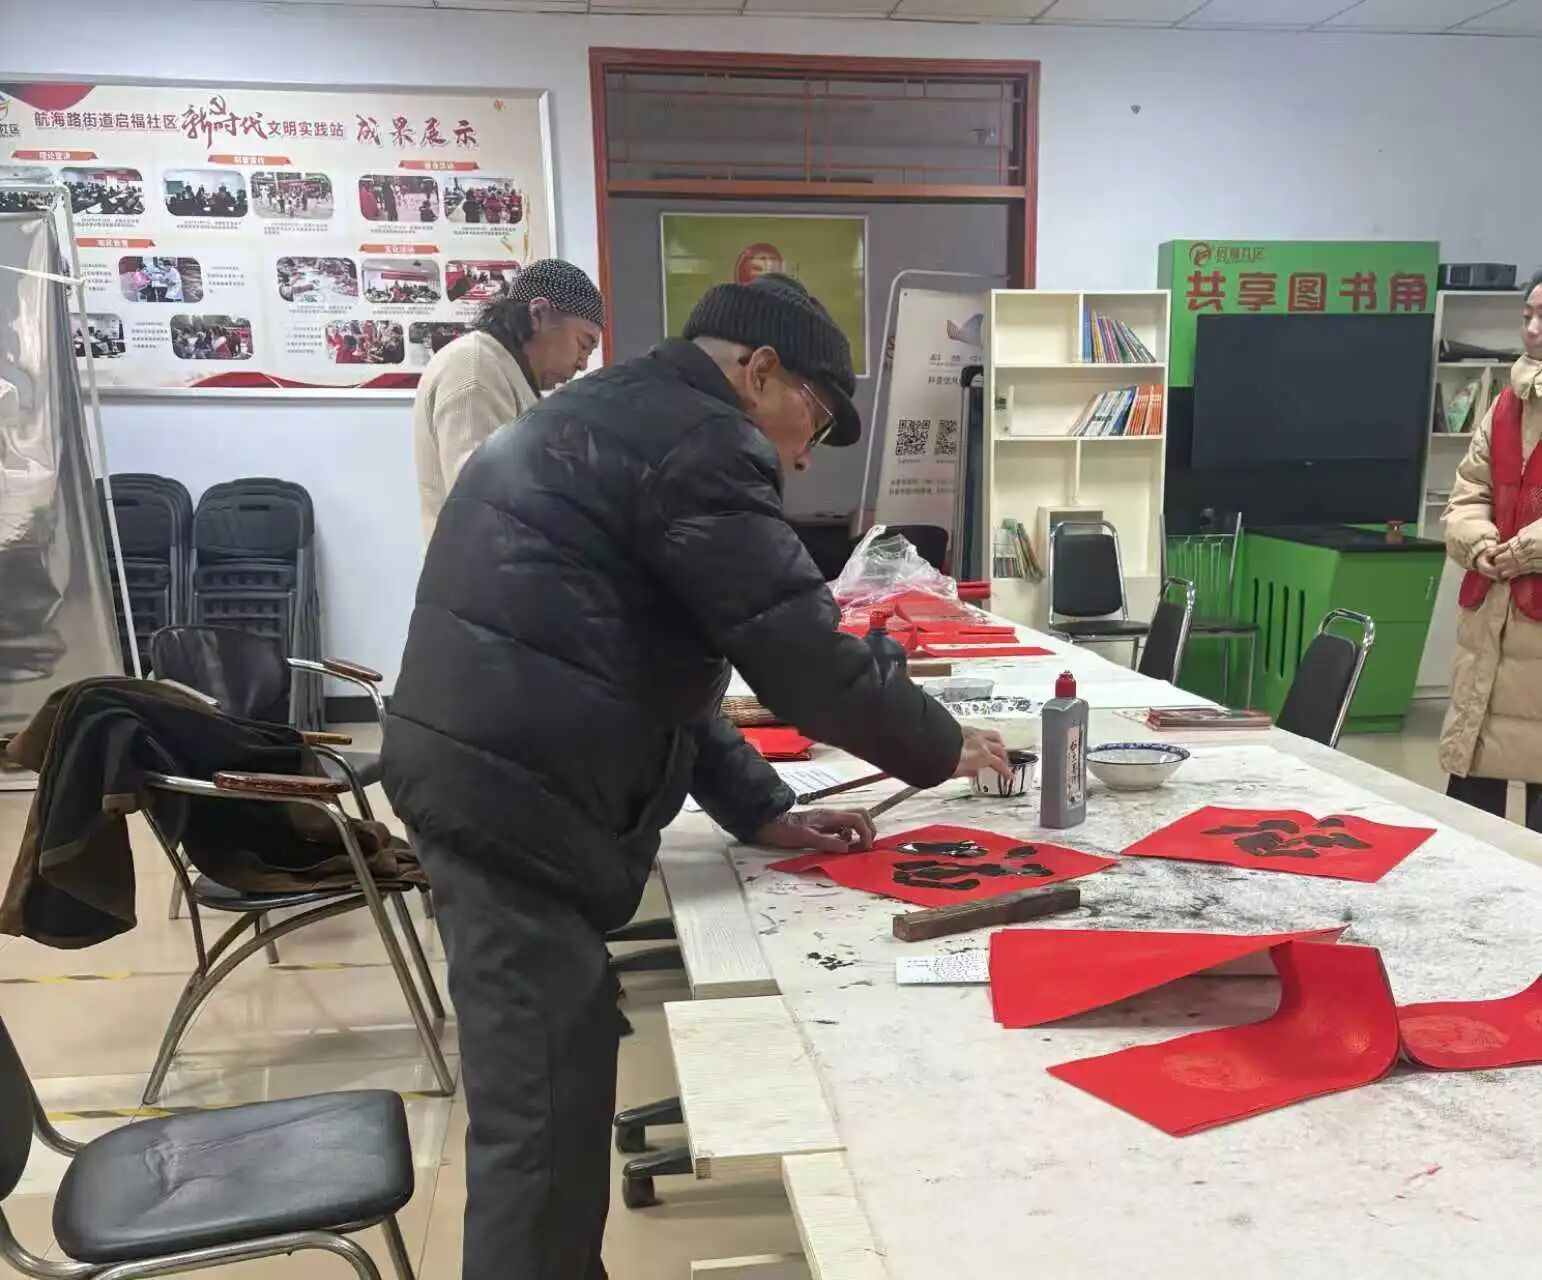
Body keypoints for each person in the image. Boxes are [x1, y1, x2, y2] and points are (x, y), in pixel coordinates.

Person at [383, 272, 1011, 1280]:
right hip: (509, 795)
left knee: (559, 1079)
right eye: (814, 420)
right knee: (540, 1127)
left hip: (492, 767)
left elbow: (666, 666)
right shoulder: (704, 441)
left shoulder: (625, 411)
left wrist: (763, 809)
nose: (803, 455)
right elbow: (802, 659)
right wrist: (943, 746)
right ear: (759, 372)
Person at [1441, 269, 1542, 831]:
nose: (1532, 329)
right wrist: (1480, 546)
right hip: (1492, 620)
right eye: (1527, 315)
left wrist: (1526, 550)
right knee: (1472, 792)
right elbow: (1468, 492)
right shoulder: (1505, 404)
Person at [412, 258, 604, 540]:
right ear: (538, 314)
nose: (583, 363)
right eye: (583, 344)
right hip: (477, 563)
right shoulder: (475, 366)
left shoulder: (506, 370)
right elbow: (484, 500)